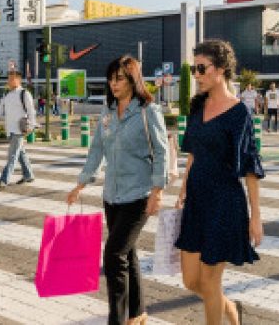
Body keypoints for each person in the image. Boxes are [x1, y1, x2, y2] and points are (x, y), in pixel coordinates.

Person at [66, 55, 168, 325]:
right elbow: (97, 149)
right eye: (111, 78)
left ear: (133, 79)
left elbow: (161, 151)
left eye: (119, 78)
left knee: (113, 255)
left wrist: (158, 191)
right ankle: (138, 312)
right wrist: (80, 183)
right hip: (112, 195)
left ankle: (117, 319)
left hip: (139, 194)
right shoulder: (108, 112)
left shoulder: (148, 111)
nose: (113, 83)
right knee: (127, 252)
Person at [175, 39, 264, 325]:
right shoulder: (197, 107)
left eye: (201, 68)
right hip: (197, 200)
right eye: (194, 69)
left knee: (211, 281)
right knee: (191, 280)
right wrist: (183, 189)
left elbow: (250, 167)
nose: (196, 75)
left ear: (221, 69)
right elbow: (192, 154)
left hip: (225, 202)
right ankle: (231, 310)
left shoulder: (240, 113)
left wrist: (256, 217)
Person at [0, 70, 37, 188]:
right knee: (20, 153)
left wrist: (31, 126)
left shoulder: (24, 93)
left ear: (18, 80)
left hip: (19, 130)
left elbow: (31, 111)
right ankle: (28, 175)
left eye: (12, 79)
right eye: (8, 79)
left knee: (12, 156)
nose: (9, 81)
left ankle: (3, 180)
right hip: (10, 129)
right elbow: (0, 109)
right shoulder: (7, 95)